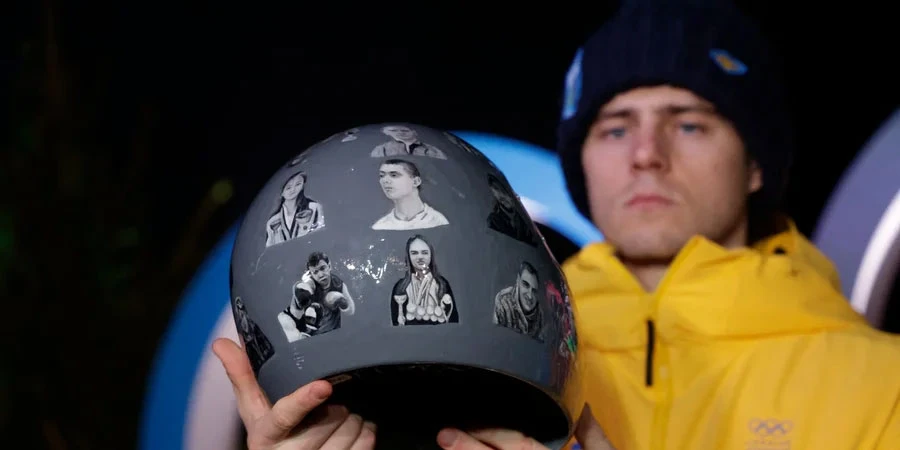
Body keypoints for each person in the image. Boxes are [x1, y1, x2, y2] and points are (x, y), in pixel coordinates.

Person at [214, 1, 900, 449]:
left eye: (690, 123)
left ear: (755, 165)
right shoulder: (470, 366)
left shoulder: (882, 385)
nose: (646, 154)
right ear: (583, 162)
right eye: (615, 127)